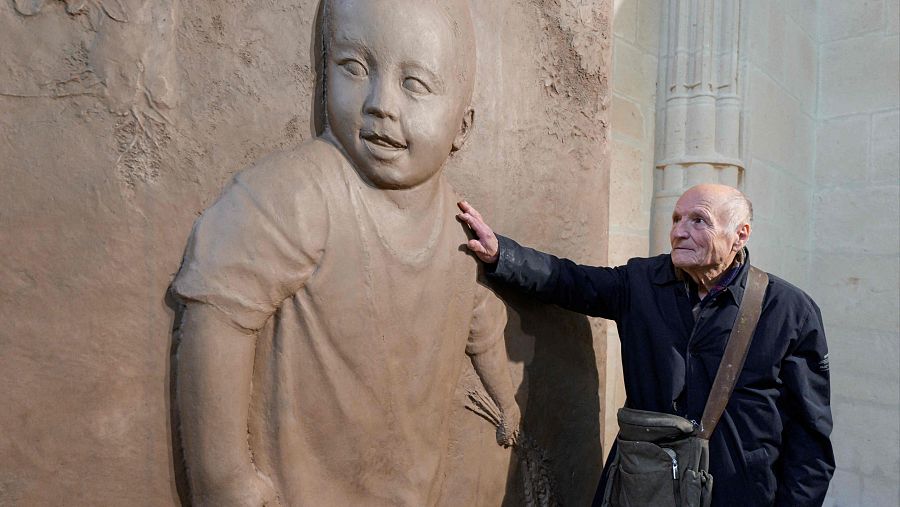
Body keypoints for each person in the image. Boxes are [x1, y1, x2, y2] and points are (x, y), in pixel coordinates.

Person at [172, 1, 520, 505]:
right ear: (322, 77)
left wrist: (507, 402)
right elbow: (217, 313)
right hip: (305, 490)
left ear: (462, 127)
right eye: (353, 68)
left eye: (415, 84)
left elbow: (479, 322)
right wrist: (223, 477)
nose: (381, 103)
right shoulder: (295, 192)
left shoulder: (456, 232)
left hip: (413, 487)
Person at [457, 183, 835, 506]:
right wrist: (501, 254)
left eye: (698, 220)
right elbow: (569, 280)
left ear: (741, 234)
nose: (679, 232)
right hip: (644, 486)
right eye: (676, 219)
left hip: (739, 493)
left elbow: (809, 440)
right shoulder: (641, 281)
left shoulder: (790, 310)